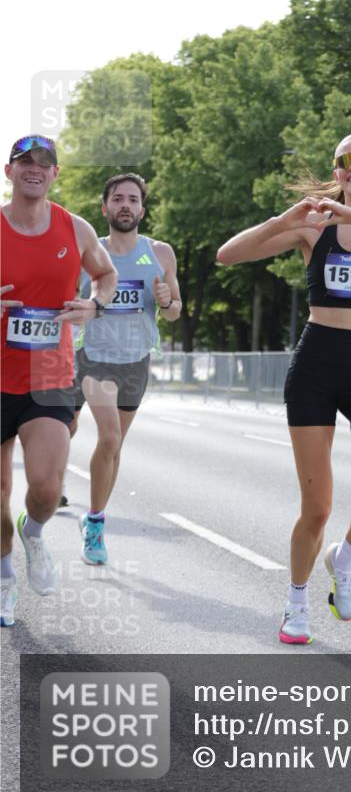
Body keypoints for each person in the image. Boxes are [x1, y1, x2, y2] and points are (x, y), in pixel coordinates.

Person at [216, 134, 351, 645]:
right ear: (336, 175)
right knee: (315, 508)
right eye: (344, 161)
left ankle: (344, 559)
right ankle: (296, 603)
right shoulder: (315, 231)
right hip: (316, 367)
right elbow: (229, 256)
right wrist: (287, 220)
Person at [0, 135, 117, 627]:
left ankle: (35, 533)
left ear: (55, 174)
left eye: (43, 162)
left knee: (46, 487)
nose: (34, 168)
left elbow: (105, 276)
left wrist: (94, 304)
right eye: (24, 161)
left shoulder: (76, 227)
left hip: (49, 375)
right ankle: (6, 577)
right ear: (9, 172)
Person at [69, 173, 181, 566]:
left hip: (136, 361)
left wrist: (167, 300)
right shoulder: (89, 251)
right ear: (105, 208)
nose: (126, 205)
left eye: (133, 199)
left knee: (115, 448)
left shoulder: (160, 253)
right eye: (118, 199)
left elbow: (174, 311)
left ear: (142, 210)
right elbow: (70, 298)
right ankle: (97, 524)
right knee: (110, 436)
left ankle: (93, 516)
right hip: (95, 356)